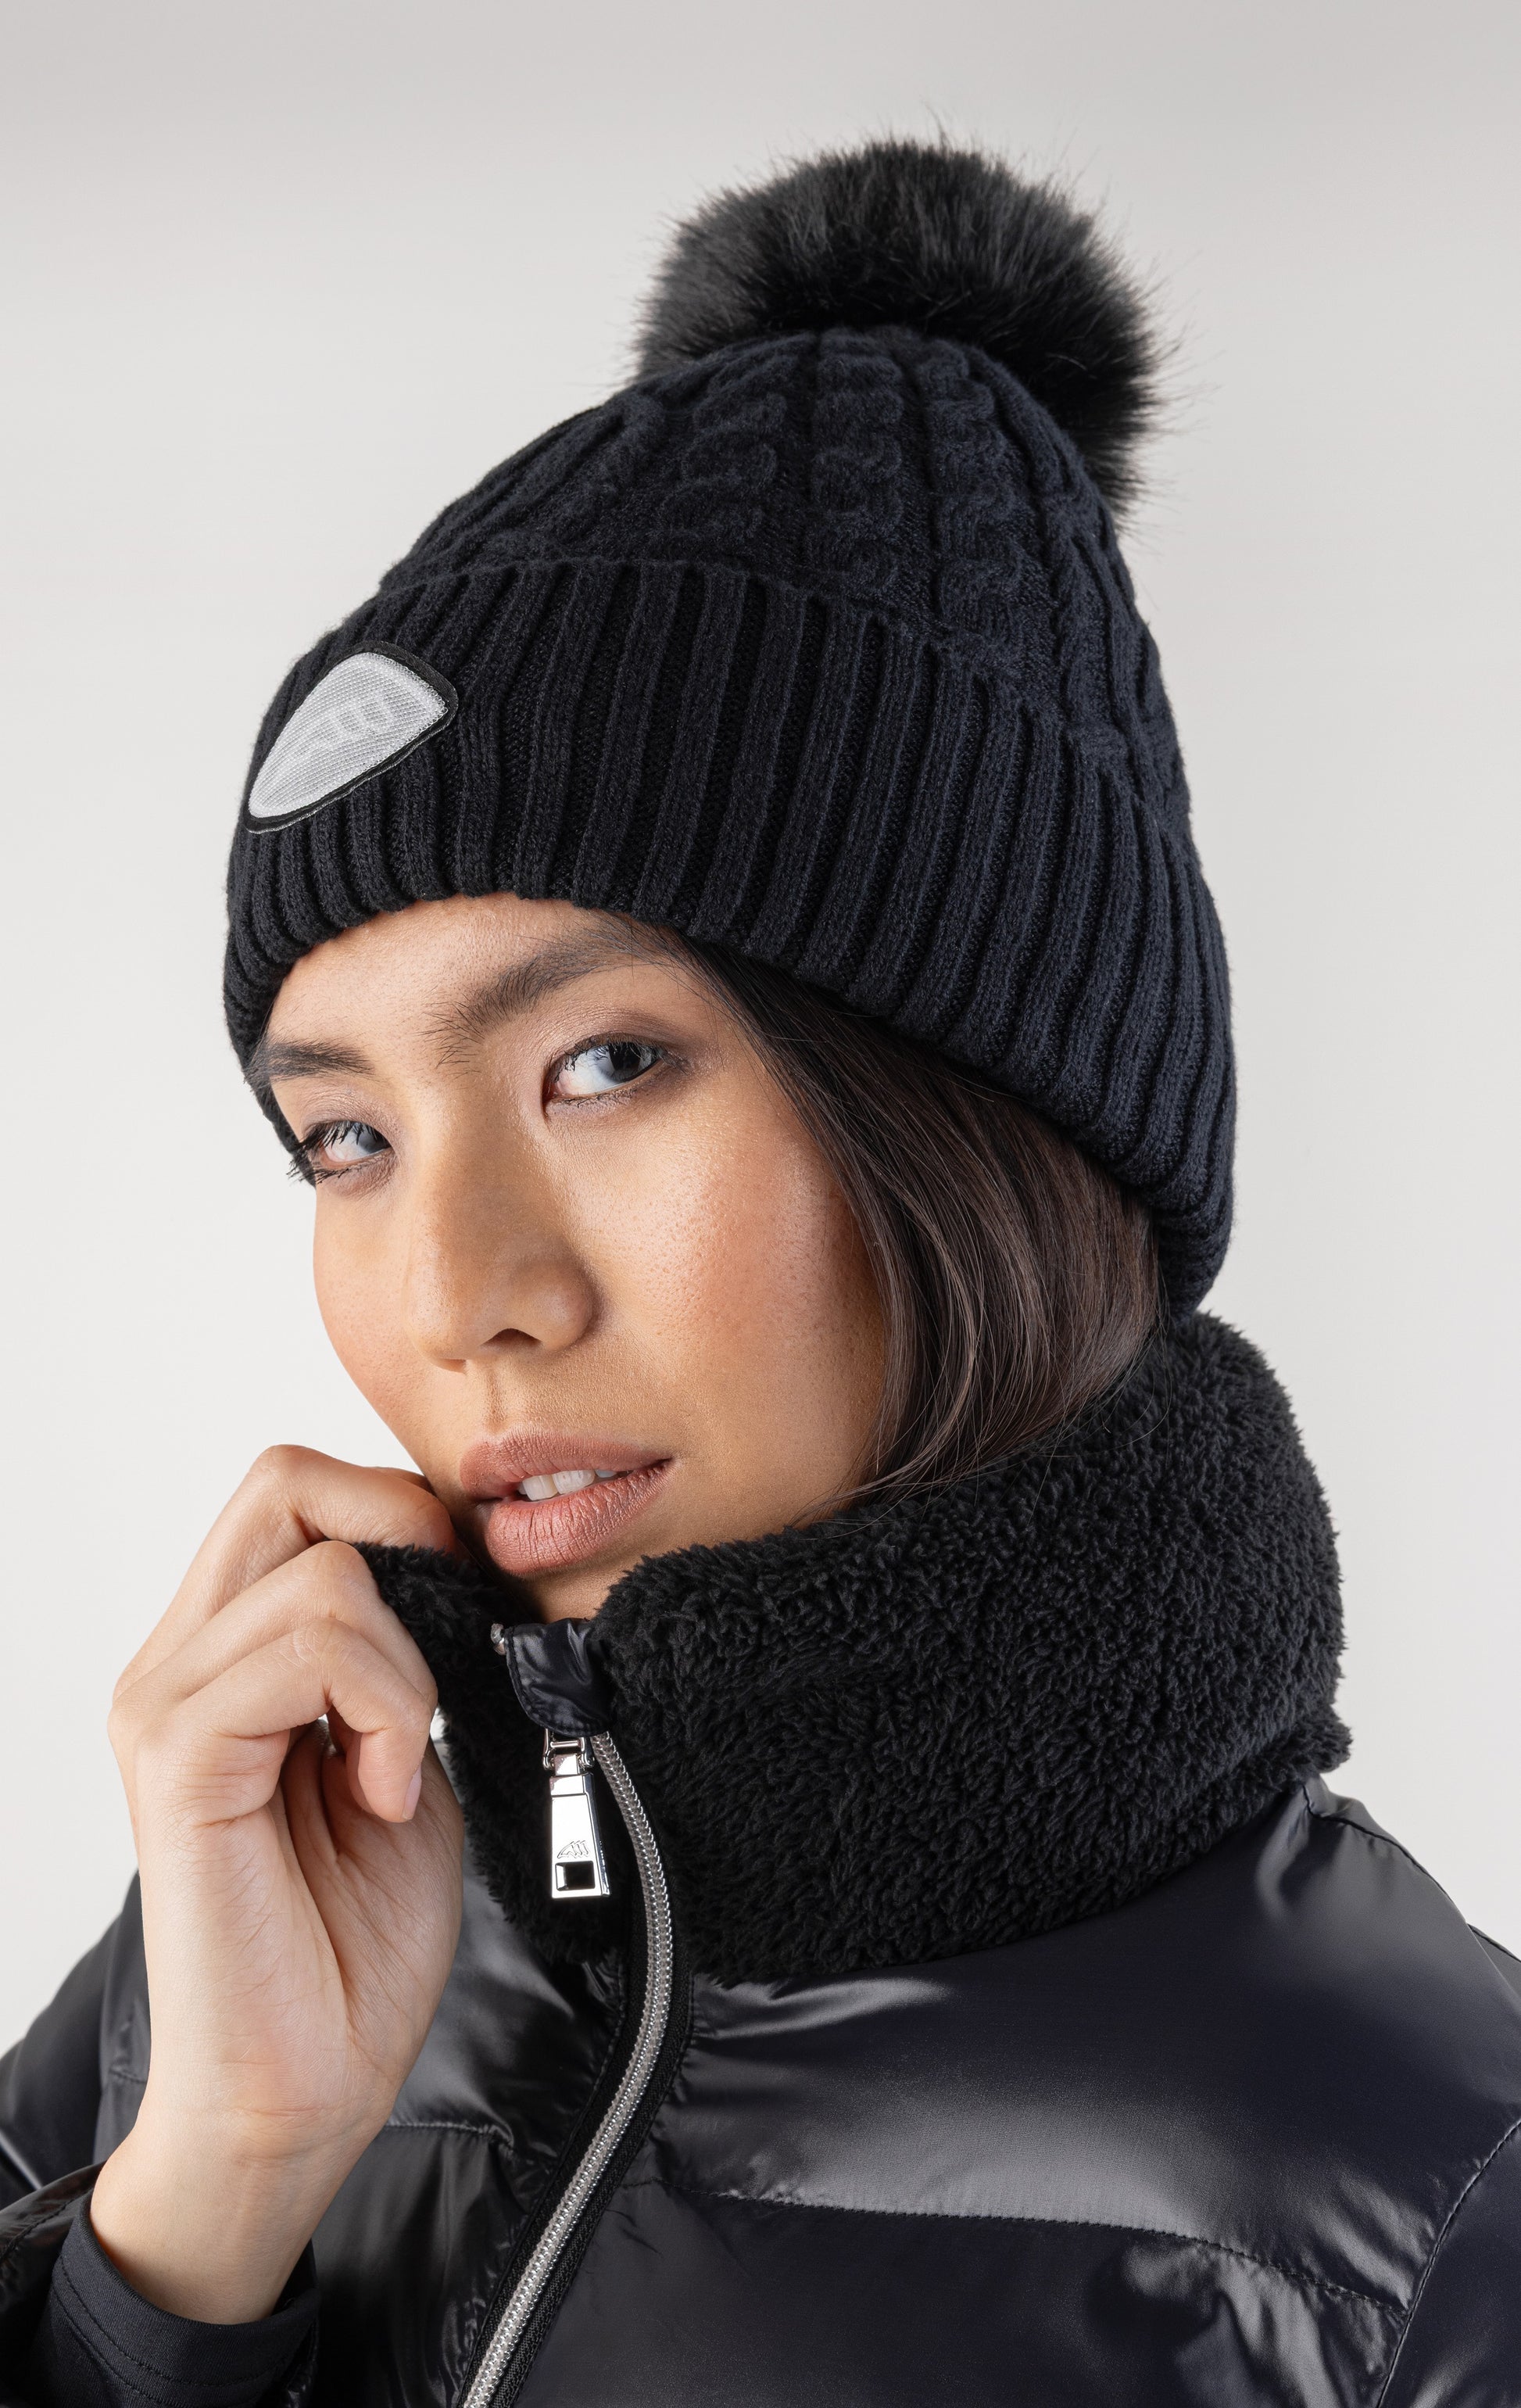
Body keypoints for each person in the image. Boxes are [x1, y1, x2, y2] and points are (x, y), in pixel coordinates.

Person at [2, 138, 1516, 2408]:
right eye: (347, 1136)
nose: (456, 1290)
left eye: (606, 1062)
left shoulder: (1424, 2193)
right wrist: (202, 2200)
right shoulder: (236, 1960)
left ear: (989, 1113)